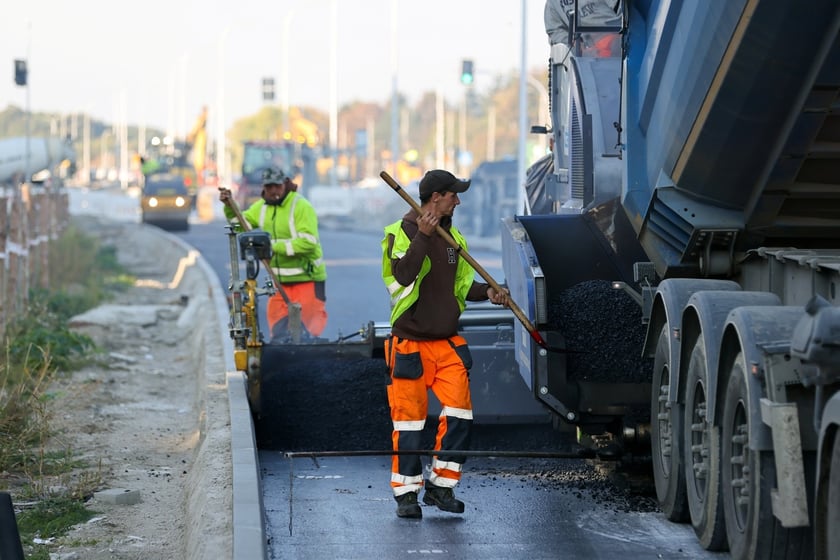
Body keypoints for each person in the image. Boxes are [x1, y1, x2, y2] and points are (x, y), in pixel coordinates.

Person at [380, 169, 510, 519]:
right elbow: (402, 280)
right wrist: (422, 236)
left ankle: (441, 488)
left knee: (460, 416)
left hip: (446, 345)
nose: (458, 200)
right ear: (435, 196)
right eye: (454, 194)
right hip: (409, 345)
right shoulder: (401, 232)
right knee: (409, 424)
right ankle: (407, 494)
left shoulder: (453, 237)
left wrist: (490, 292)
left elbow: (462, 287)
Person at [218, 166, 327, 341]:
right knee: (279, 335)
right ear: (264, 187)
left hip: (307, 279)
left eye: (277, 186)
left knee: (308, 335)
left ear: (285, 184)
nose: (273, 191)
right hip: (279, 283)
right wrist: (230, 207)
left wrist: (271, 246)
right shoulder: (260, 208)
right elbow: (239, 226)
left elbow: (309, 243)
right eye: (269, 187)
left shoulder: (300, 206)